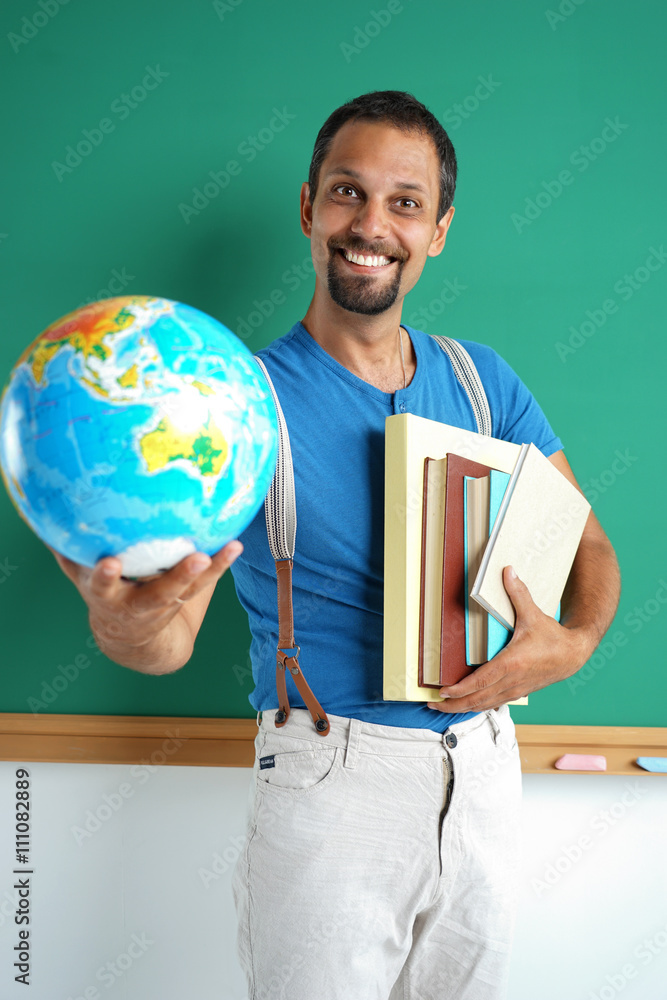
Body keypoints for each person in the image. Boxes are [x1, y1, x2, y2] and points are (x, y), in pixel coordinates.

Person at [54, 91, 620, 999]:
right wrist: (125, 623)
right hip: (331, 781)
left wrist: (572, 643)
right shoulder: (232, 412)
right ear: (309, 207)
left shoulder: (486, 384)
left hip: (483, 768)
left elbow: (588, 543)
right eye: (347, 193)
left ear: (437, 230)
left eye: (405, 202)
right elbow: (164, 642)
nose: (371, 224)